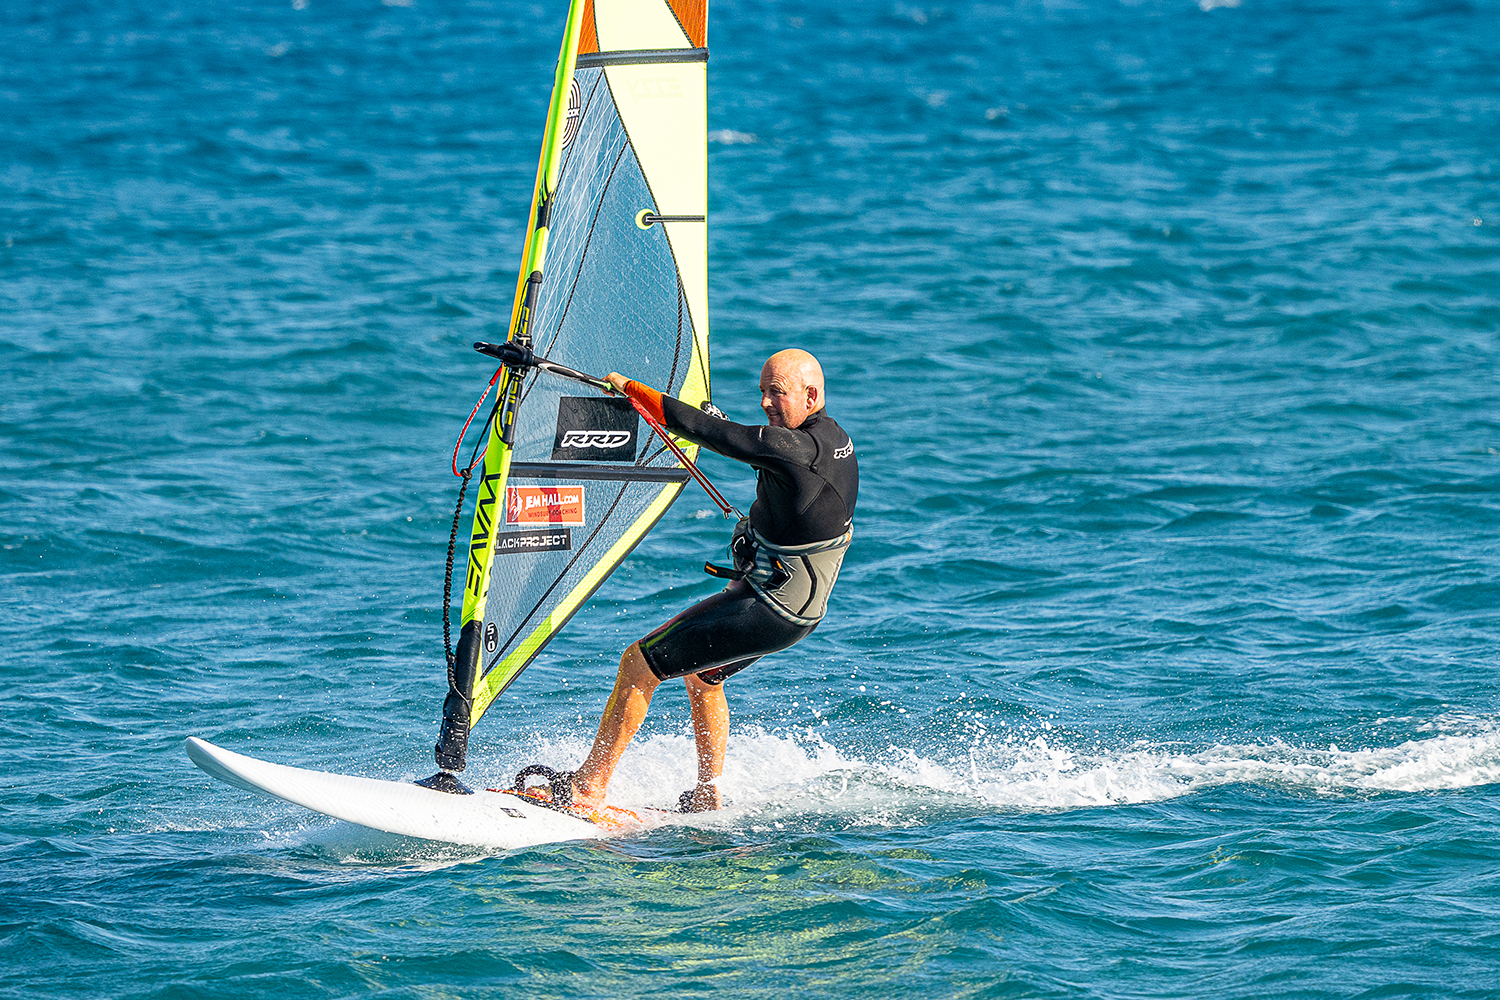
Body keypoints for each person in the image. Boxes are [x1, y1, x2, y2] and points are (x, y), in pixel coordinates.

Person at [522, 349, 859, 814]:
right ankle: (707, 793)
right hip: (794, 608)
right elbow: (762, 455)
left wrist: (630, 389)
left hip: (771, 606)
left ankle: (587, 789)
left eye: (775, 393)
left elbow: (719, 436)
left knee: (639, 663)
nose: (764, 402)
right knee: (704, 675)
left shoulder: (797, 449)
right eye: (760, 391)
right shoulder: (828, 437)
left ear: (811, 395)